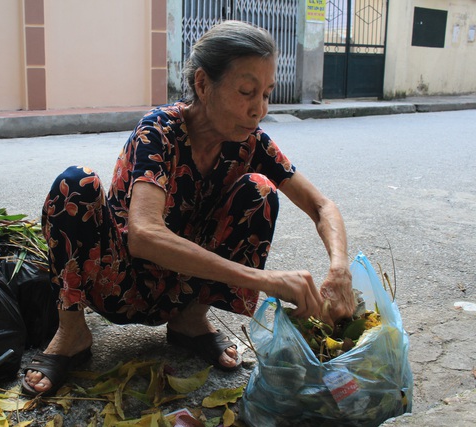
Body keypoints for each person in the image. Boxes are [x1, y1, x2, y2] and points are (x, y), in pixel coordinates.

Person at [21, 20, 355, 397]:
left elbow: (321, 205)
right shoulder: (158, 132)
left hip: (183, 288)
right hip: (119, 283)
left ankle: (190, 322)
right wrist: (266, 280)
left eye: (266, 93)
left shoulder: (252, 143)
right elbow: (145, 236)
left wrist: (339, 268)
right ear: (201, 84)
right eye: (247, 91)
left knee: (259, 192)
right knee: (75, 183)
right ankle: (71, 332)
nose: (258, 109)